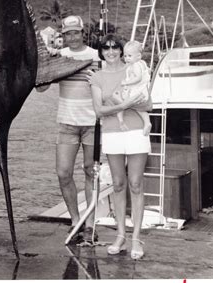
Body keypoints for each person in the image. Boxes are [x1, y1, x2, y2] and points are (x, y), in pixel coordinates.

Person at [37, 15, 100, 243]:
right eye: (67, 34)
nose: (72, 37)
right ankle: (76, 221)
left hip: (93, 124)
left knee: (90, 173)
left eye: (76, 32)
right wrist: (44, 65)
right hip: (66, 123)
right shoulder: (60, 57)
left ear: (83, 33)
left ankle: (91, 225)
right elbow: (41, 88)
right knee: (63, 173)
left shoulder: (96, 56)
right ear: (62, 36)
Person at [89, 34, 152, 260]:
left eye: (115, 48)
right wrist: (125, 104)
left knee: (135, 184)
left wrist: (130, 104)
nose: (111, 52)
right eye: (106, 48)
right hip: (112, 133)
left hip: (136, 131)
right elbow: (98, 111)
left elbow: (148, 103)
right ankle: (120, 235)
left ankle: (136, 237)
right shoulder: (96, 77)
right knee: (117, 184)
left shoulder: (134, 67)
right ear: (101, 52)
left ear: (122, 50)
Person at [112, 41, 151, 135]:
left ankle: (120, 120)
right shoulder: (142, 63)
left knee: (120, 101)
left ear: (138, 56)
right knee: (141, 110)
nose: (127, 58)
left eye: (129, 56)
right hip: (141, 92)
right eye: (125, 56)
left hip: (136, 92)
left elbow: (138, 78)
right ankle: (147, 122)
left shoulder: (136, 65)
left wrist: (126, 82)